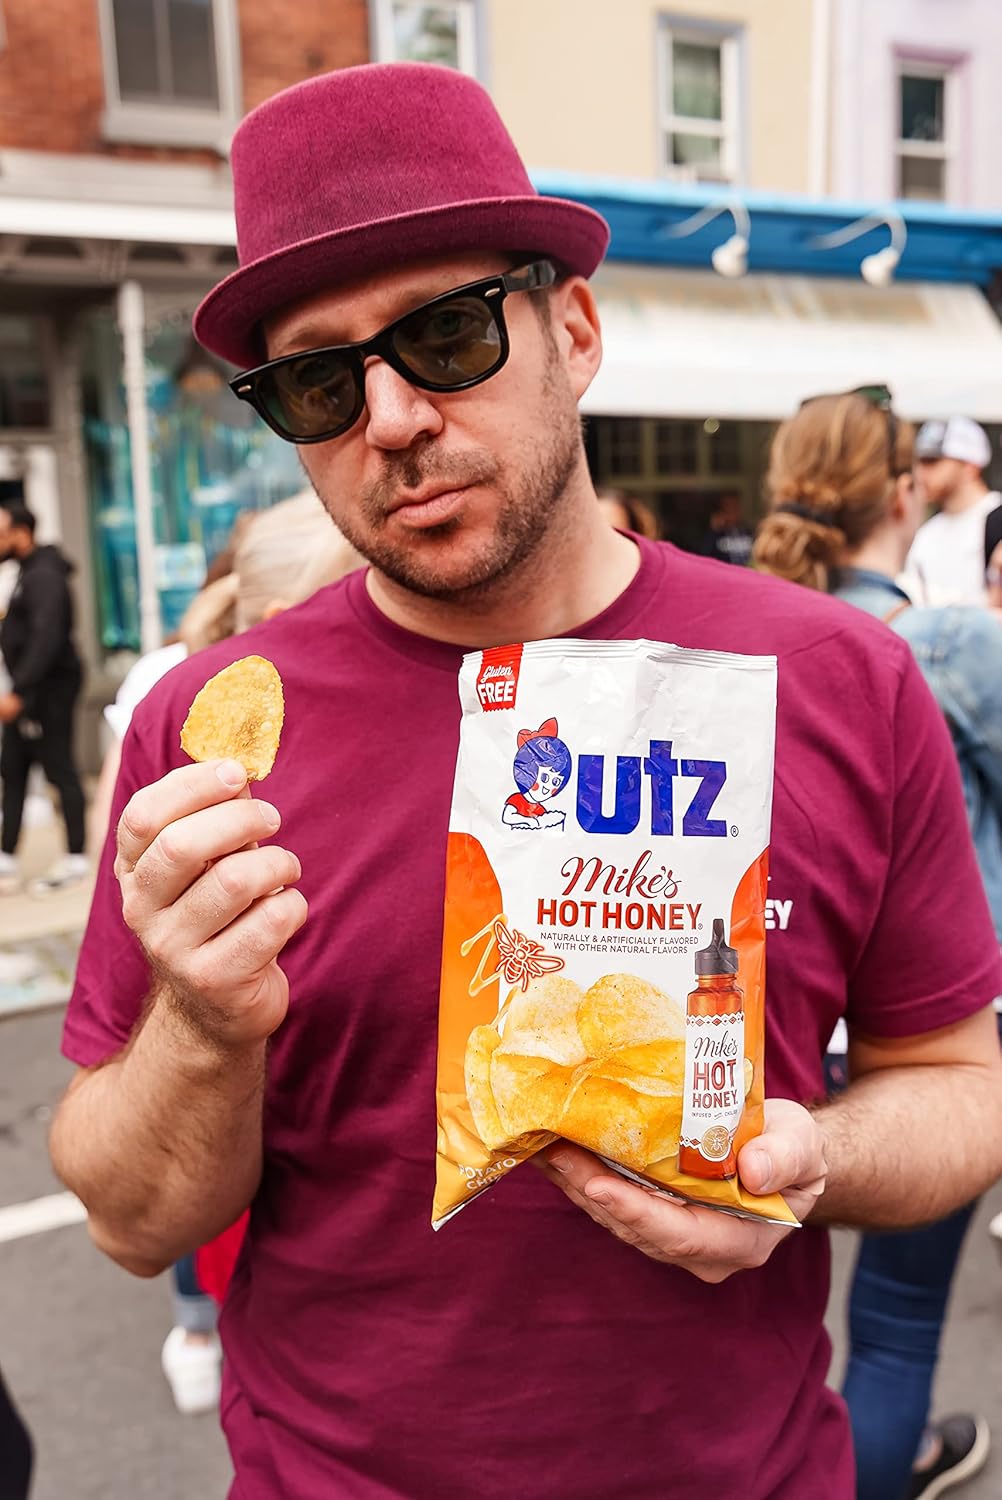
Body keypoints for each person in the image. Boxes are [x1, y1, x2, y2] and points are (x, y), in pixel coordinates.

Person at [49, 64, 1002, 1500]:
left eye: (447, 332)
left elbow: (957, 1085)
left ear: (576, 331)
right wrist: (200, 1020)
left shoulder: (836, 677)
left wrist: (810, 1158)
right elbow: (131, 1222)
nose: (390, 419)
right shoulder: (209, 738)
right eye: (318, 382)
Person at [755, 386, 1002, 1500]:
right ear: (901, 493)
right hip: (932, 1025)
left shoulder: (734, 637)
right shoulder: (944, 642)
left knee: (774, 1323)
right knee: (896, 1327)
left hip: (780, 1021)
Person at [90, 489, 362, 1415]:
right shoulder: (189, 737)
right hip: (256, 1236)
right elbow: (130, 1186)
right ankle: (195, 1324)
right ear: (285, 623)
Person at [0, 501, 88, 896]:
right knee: (13, 769)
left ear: (22, 533)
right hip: (27, 693)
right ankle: (6, 855)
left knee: (60, 769)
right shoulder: (24, 573)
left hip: (46, 693)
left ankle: (76, 856)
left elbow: (46, 638)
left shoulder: (45, 575)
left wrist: (20, 691)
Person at [903, 417, 1001, 606]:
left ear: (970, 466)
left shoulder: (996, 520)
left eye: (932, 462)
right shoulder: (925, 532)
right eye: (919, 462)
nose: (920, 473)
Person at [702, 489, 754, 566]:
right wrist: (714, 530)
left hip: (746, 572)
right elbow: (705, 556)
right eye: (728, 507)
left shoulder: (748, 532)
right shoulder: (716, 534)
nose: (732, 510)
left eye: (735, 507)